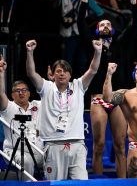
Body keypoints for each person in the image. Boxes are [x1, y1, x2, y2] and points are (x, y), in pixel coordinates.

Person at [78, 0, 137, 177]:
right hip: (98, 99)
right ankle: (98, 181)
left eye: (108, 25)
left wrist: (133, 0)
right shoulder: (92, 45)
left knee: (121, 146)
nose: (104, 26)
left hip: (118, 98)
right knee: (99, 145)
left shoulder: (120, 44)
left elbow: (134, 26)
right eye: (101, 25)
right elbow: (80, 23)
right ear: (96, 30)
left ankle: (122, 182)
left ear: (112, 29)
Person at [25, 38, 102, 180]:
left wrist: (97, 52)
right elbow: (31, 74)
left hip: (77, 145)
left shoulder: (78, 86)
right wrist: (30, 52)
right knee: (55, 185)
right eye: (58, 71)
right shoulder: (46, 88)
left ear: (70, 75)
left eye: (65, 71)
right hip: (53, 145)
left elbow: (93, 70)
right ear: (53, 75)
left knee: (81, 184)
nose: (62, 73)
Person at [0, 56, 43, 180]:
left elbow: (49, 95)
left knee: (55, 156)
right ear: (12, 95)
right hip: (14, 151)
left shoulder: (38, 105)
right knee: (27, 161)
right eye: (17, 91)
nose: (21, 93)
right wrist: (1, 73)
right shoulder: (8, 107)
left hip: (38, 150)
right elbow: (0, 93)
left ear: (29, 93)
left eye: (24, 90)